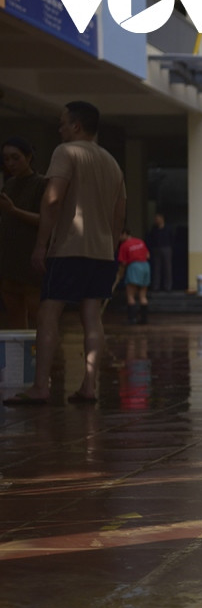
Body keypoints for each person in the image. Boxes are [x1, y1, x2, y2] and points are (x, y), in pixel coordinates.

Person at [3, 101, 126, 406]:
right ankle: (88, 386)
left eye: (61, 124)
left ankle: (40, 386)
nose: (59, 130)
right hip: (101, 252)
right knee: (91, 317)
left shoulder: (66, 152)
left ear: (76, 126)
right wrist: (110, 250)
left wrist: (41, 244)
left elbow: (53, 199)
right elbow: (119, 213)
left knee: (47, 314)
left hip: (69, 248)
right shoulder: (111, 161)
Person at [0, 137, 47, 329]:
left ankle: (45, 358)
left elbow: (47, 220)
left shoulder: (42, 184)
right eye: (6, 159)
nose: (10, 163)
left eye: (15, 158)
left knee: (39, 316)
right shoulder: (9, 185)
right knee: (14, 316)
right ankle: (20, 359)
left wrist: (14, 211)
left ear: (28, 157)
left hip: (32, 259)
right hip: (9, 259)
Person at [116, 227, 151, 325]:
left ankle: (132, 319)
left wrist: (120, 274)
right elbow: (148, 255)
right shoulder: (140, 241)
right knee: (143, 295)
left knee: (131, 295)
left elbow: (123, 263)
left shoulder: (124, 246)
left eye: (119, 235)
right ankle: (144, 319)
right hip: (145, 266)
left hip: (134, 267)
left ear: (124, 234)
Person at [146, 212, 173, 292]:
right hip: (156, 249)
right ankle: (156, 286)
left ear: (162, 218)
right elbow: (150, 238)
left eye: (157, 218)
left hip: (166, 248)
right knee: (156, 268)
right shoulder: (154, 229)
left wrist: (170, 247)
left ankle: (168, 286)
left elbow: (172, 238)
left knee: (167, 268)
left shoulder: (168, 228)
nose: (156, 220)